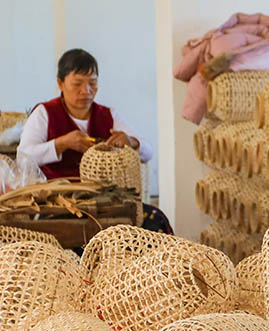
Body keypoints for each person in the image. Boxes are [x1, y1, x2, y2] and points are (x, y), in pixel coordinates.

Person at [17, 48, 171, 233]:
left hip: (105, 201)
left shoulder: (108, 115)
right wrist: (61, 144)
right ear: (60, 83)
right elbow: (23, 156)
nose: (86, 91)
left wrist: (131, 141)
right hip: (59, 202)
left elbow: (148, 152)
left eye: (92, 83)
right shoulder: (44, 113)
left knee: (155, 218)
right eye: (77, 84)